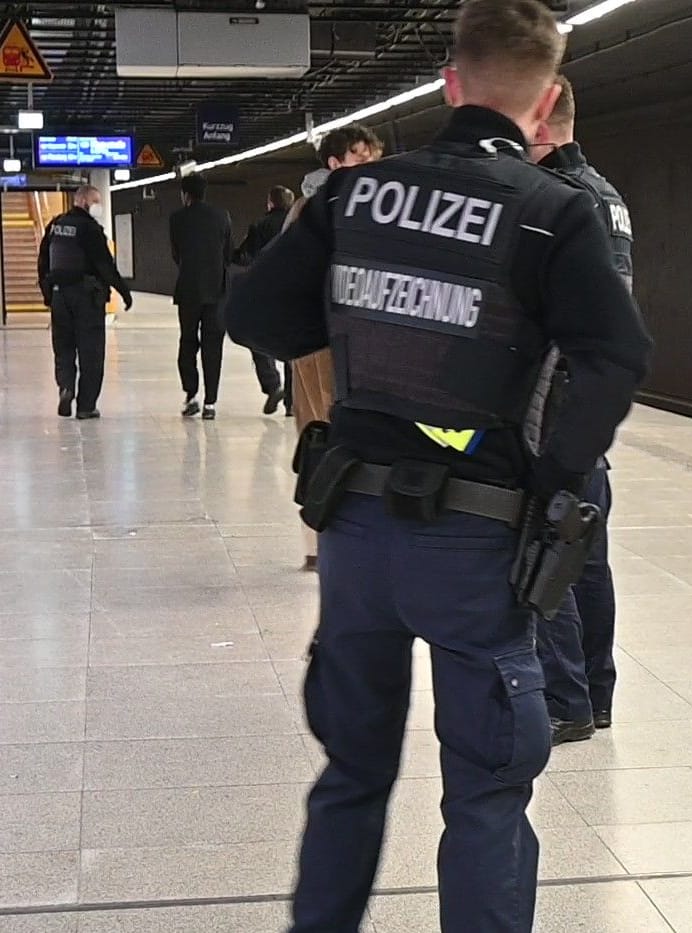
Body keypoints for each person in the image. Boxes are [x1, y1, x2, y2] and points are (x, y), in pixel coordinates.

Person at [223, 1, 651, 930]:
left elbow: (254, 318)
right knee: (487, 792)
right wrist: (558, 474)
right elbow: (617, 357)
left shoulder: (350, 195)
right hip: (480, 542)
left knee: (351, 775)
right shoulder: (551, 213)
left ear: (450, 84)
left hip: (357, 537)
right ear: (543, 108)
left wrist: (340, 330)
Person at [528, 74, 630, 742]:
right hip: (593, 392)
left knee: (551, 547)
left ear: (539, 121)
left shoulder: (554, 198)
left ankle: (563, 696)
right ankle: (595, 692)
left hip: (554, 399)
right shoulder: (607, 195)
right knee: (588, 554)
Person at [284, 124, 384, 571]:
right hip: (319, 343)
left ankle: (359, 537)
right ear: (334, 163)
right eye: (359, 157)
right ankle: (320, 542)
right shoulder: (312, 212)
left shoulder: (382, 209)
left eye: (373, 157)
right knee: (321, 436)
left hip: (367, 342)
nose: (369, 166)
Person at [38, 184, 133, 420]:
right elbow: (105, 265)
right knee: (91, 352)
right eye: (96, 201)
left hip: (60, 295)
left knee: (64, 348)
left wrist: (48, 294)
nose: (98, 206)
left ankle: (66, 387)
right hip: (87, 297)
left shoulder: (55, 226)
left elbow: (43, 262)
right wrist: (124, 291)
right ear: (83, 201)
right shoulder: (90, 229)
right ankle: (86, 406)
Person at [169, 173, 232, 420]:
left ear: (186, 194)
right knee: (213, 346)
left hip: (188, 290)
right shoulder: (222, 216)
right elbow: (228, 252)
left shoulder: (177, 218)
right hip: (216, 290)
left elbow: (176, 253)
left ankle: (191, 394)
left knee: (187, 342)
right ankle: (211, 402)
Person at [233, 185, 297, 416]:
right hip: (295, 293)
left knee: (257, 340)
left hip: (266, 292)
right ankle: (292, 401)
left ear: (270, 203)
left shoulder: (260, 226)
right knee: (294, 346)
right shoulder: (299, 224)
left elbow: (244, 256)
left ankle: (272, 384)